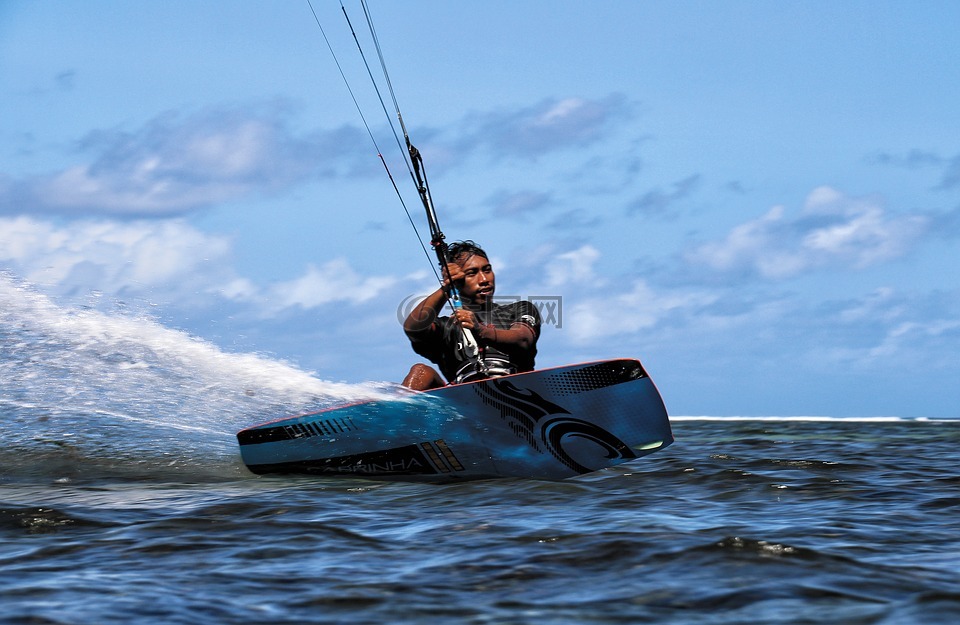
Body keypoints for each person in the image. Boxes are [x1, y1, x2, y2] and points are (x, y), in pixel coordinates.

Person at [401, 240, 541, 390]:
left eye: (487, 270)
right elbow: (413, 328)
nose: (484, 280)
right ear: (458, 282)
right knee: (421, 371)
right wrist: (446, 289)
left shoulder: (520, 309)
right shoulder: (446, 329)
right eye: (472, 273)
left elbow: (523, 338)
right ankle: (396, 411)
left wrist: (481, 331)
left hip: (518, 391)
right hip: (465, 402)